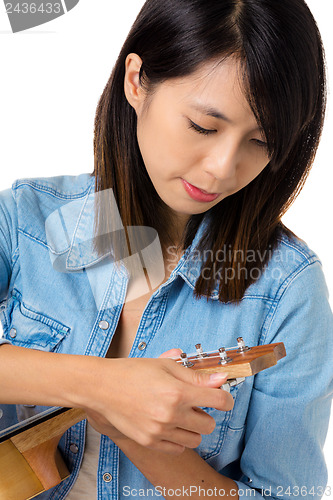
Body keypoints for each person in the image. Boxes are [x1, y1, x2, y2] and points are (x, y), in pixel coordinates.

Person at [0, 0, 332, 498]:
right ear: (136, 82)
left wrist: (145, 440)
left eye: (259, 142)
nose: (223, 167)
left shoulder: (285, 289)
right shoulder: (27, 219)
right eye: (204, 126)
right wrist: (99, 386)